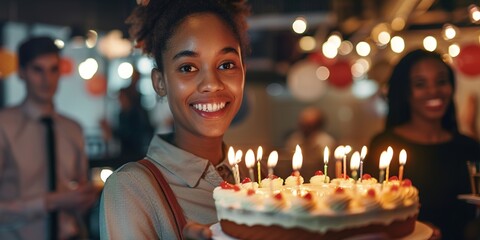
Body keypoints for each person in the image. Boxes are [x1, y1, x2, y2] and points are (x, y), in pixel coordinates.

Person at [99, 0, 255, 239]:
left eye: (226, 64)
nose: (212, 83)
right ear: (159, 82)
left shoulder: (256, 179)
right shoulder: (132, 188)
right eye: (188, 68)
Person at [364, 49, 480, 240]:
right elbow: (370, 214)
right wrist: (415, 230)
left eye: (441, 81)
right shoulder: (385, 147)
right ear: (405, 92)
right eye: (420, 84)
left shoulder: (469, 148)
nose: (434, 91)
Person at [0, 36, 97, 240]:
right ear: (21, 72)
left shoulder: (73, 129)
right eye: (38, 69)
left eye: (53, 69)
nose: (47, 79)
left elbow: (81, 188)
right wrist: (52, 201)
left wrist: (87, 198)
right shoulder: (3, 126)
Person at [100, 69, 154, 164]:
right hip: (126, 152)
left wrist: (111, 131)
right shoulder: (123, 113)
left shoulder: (136, 113)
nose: (119, 101)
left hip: (135, 153)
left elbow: (129, 134)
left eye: (121, 98)